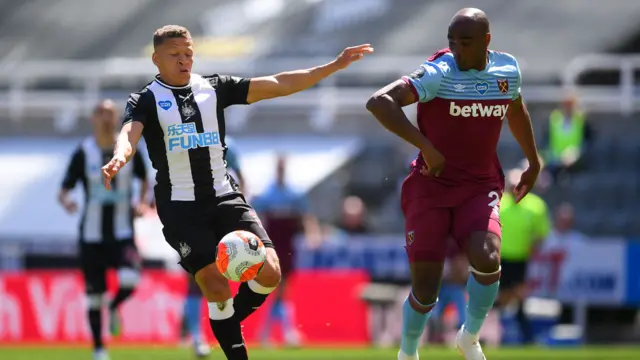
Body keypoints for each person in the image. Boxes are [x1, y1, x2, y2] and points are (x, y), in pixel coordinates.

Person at [100, 25, 372, 360]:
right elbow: (129, 133)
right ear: (156, 59)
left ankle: (225, 323)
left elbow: (278, 84)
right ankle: (233, 344)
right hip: (181, 207)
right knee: (214, 285)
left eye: (188, 53)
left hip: (225, 196)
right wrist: (119, 157)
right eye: (175, 55)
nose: (184, 60)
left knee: (271, 271)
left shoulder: (213, 88)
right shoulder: (145, 99)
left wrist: (331, 66)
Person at [366, 8, 541, 360]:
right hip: (430, 188)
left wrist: (534, 161)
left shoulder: (507, 70)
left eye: (465, 43)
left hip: (479, 184)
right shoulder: (438, 72)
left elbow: (516, 109)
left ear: (486, 41)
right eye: (452, 42)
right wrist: (426, 148)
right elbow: (379, 102)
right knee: (426, 289)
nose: (457, 50)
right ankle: (408, 352)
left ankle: (469, 337)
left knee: (488, 257)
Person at [58, 100, 148, 360]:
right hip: (91, 236)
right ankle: (99, 349)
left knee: (131, 279)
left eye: (111, 113)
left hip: (122, 233)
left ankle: (115, 303)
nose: (107, 118)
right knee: (94, 295)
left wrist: (141, 202)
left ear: (117, 117)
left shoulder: (129, 149)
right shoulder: (83, 152)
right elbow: (64, 189)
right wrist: (68, 201)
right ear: (93, 119)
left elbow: (144, 179)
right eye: (101, 113)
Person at [179, 137, 244, 358]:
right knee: (196, 278)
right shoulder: (185, 137)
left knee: (218, 277)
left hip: (219, 216)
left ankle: (217, 333)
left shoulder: (228, 144)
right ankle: (197, 337)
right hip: (189, 215)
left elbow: (239, 177)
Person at [251, 155, 322, 347]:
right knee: (274, 287)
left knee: (282, 288)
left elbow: (306, 216)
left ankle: (268, 333)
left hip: (287, 245)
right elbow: (255, 214)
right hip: (272, 244)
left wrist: (312, 234)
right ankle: (282, 332)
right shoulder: (268, 193)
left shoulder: (294, 193)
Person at [497, 168, 551, 344]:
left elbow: (542, 233)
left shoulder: (536, 206)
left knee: (518, 297)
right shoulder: (499, 203)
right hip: (499, 259)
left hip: (521, 259)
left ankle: (523, 335)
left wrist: (533, 248)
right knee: (501, 297)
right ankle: (499, 332)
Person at [541, 94, 593, 183]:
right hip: (555, 160)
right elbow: (546, 143)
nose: (568, 108)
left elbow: (586, 143)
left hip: (575, 160)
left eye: (571, 105)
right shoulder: (554, 119)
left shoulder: (580, 121)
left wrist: (575, 154)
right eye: (566, 105)